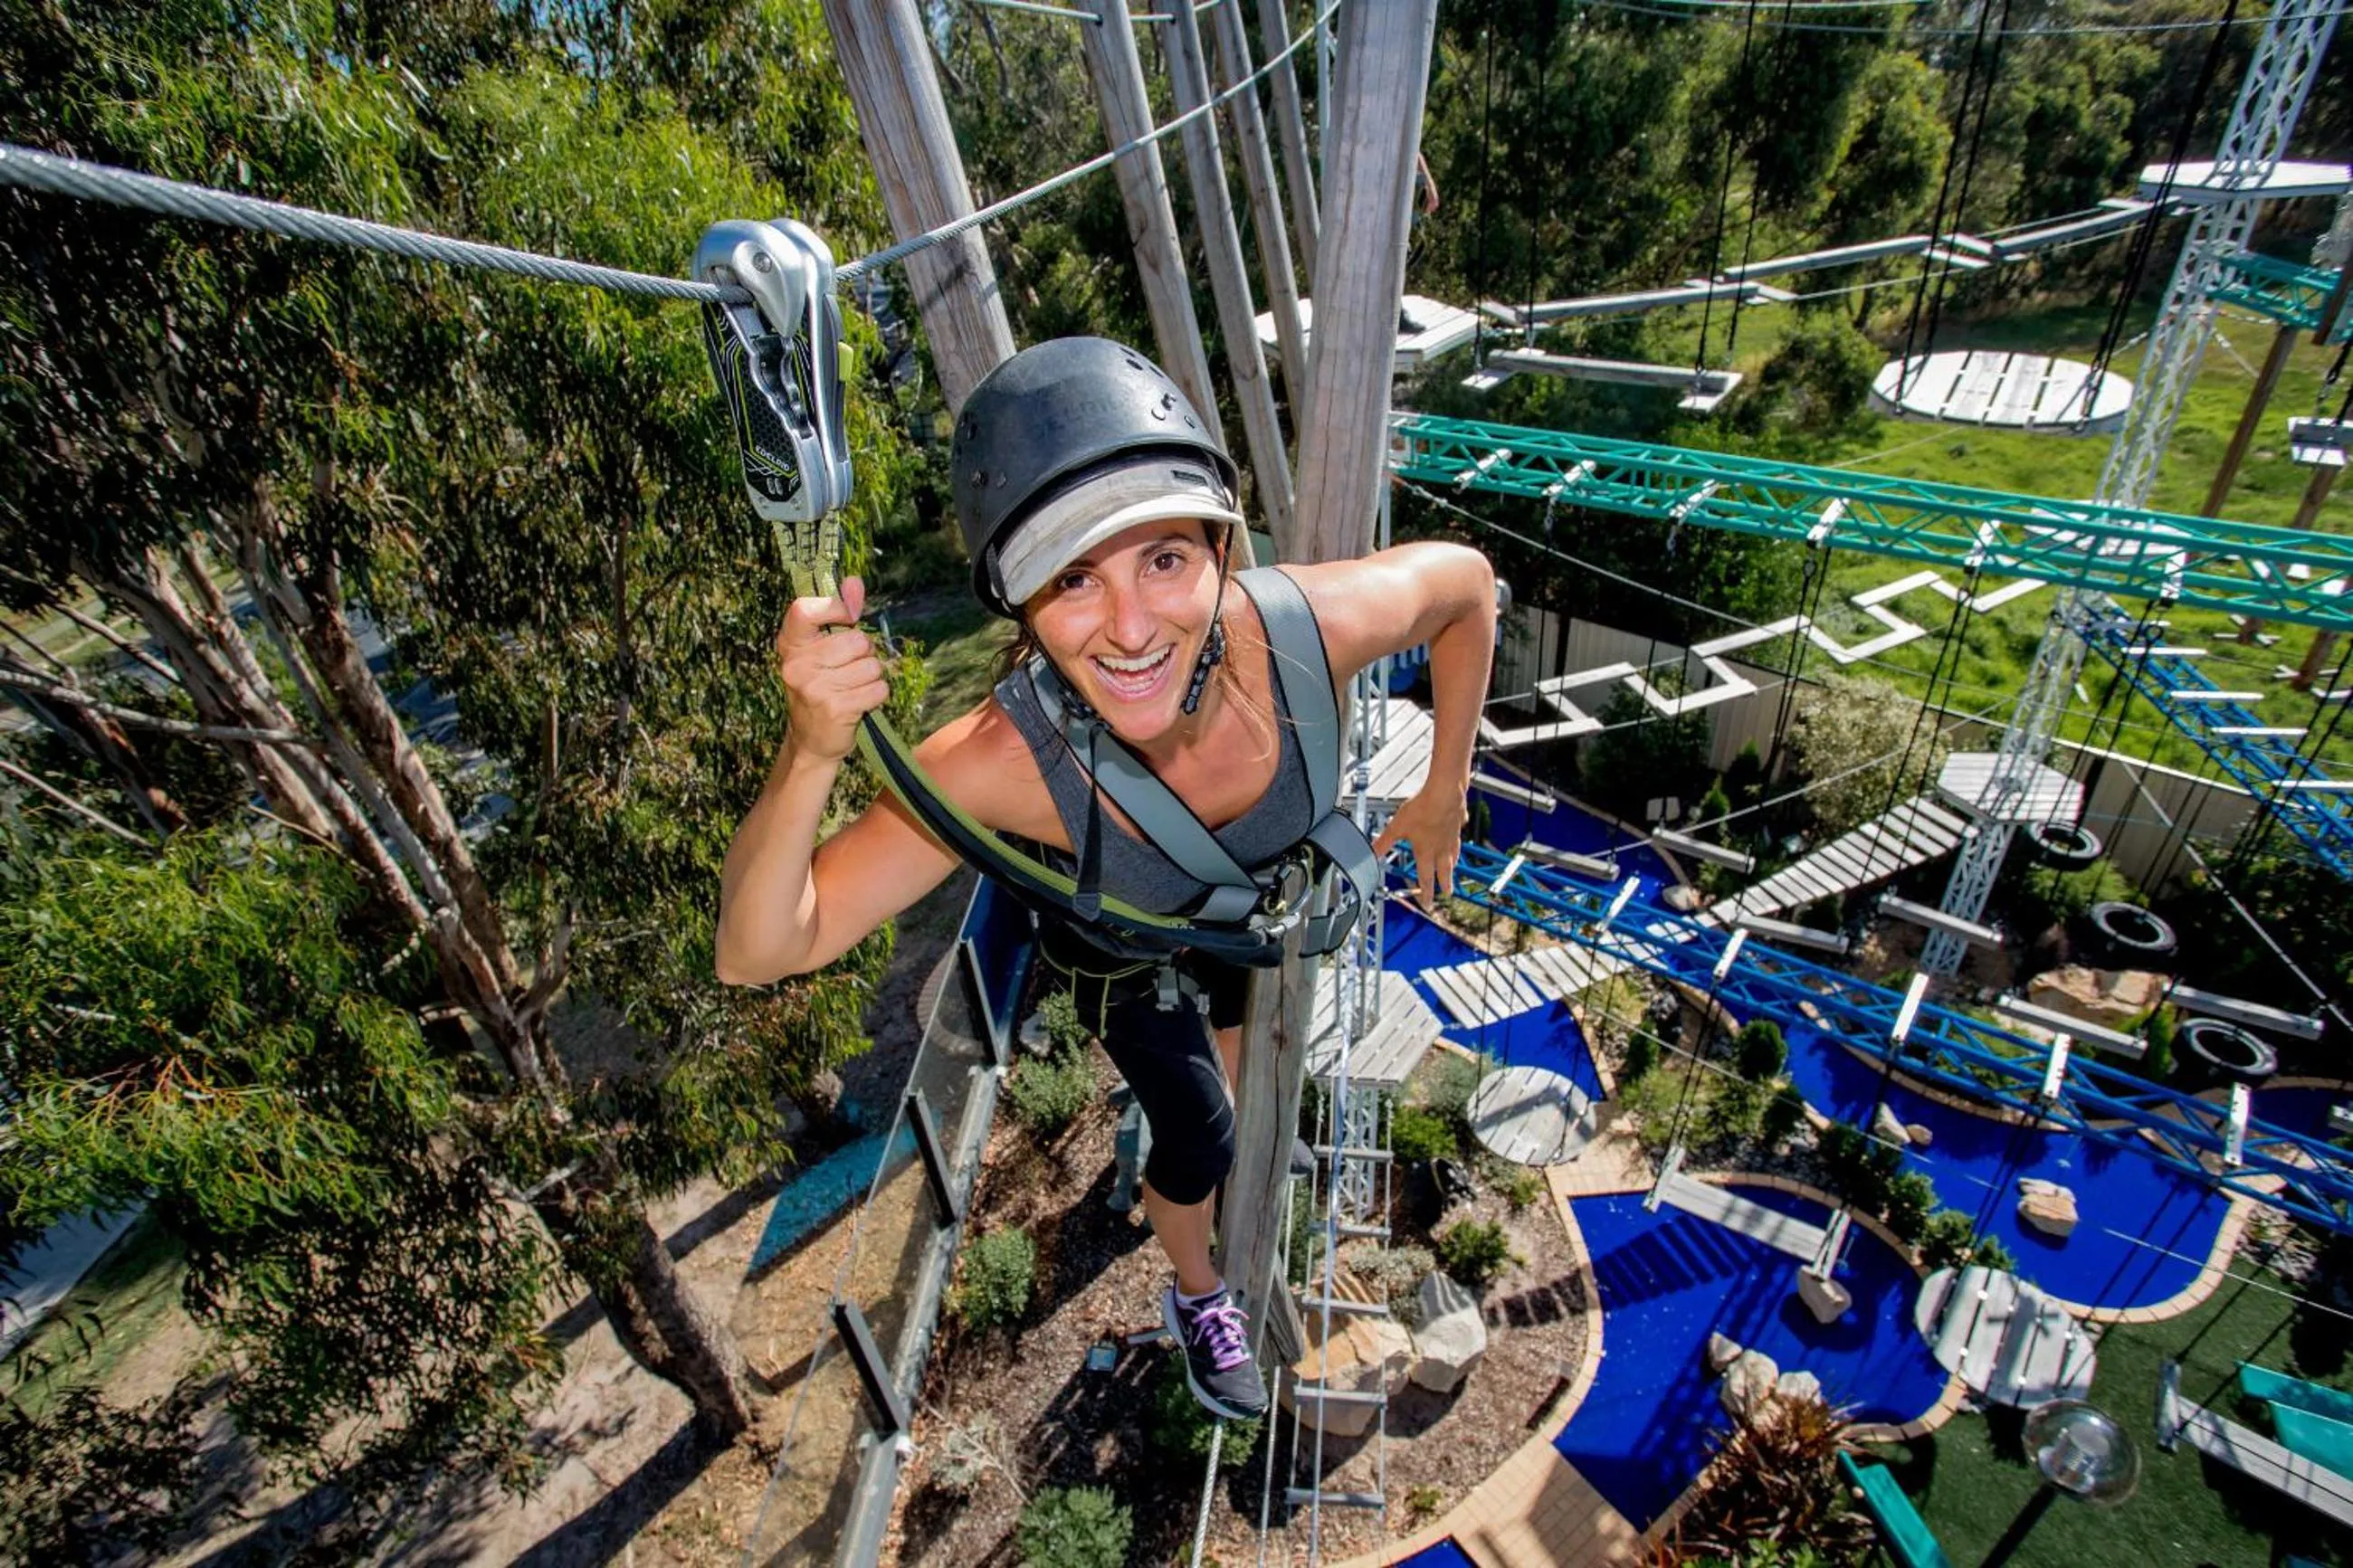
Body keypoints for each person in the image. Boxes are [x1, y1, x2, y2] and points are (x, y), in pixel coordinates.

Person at [716, 337, 1493, 1420]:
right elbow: (762, 945)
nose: (1130, 629)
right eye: (1072, 577)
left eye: (1162, 560)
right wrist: (808, 751)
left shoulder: (1310, 629)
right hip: (1125, 956)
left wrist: (1445, 785)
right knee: (1203, 1136)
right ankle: (1196, 1287)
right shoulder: (1005, 760)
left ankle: (1206, 1157)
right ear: (1022, 606)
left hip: (1238, 921)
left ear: (1223, 549)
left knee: (1242, 1066)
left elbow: (1465, 585)